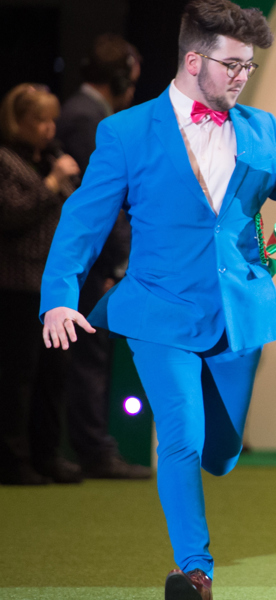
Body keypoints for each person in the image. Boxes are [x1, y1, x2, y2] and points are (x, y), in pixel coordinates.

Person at [39, 0, 276, 597]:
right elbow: (82, 221)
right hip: (159, 310)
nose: (241, 76)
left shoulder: (261, 129)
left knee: (221, 452)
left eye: (248, 67)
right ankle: (196, 571)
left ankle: (218, 454)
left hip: (239, 317)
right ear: (192, 60)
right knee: (179, 436)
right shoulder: (126, 132)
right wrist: (59, 297)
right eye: (232, 65)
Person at [57, 34, 150, 480]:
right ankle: (92, 450)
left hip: (90, 262)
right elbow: (97, 205)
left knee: (89, 355)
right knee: (87, 356)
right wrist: (116, 262)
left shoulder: (89, 115)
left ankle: (92, 448)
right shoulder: (89, 120)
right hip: (86, 264)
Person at [0, 83, 81, 485]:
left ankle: (47, 454)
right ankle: (14, 460)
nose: (50, 128)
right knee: (18, 376)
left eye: (52, 119)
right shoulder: (6, 161)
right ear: (19, 121)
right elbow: (11, 215)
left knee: (54, 373)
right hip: (16, 286)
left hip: (55, 289)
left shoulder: (50, 158)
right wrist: (51, 183)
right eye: (40, 120)